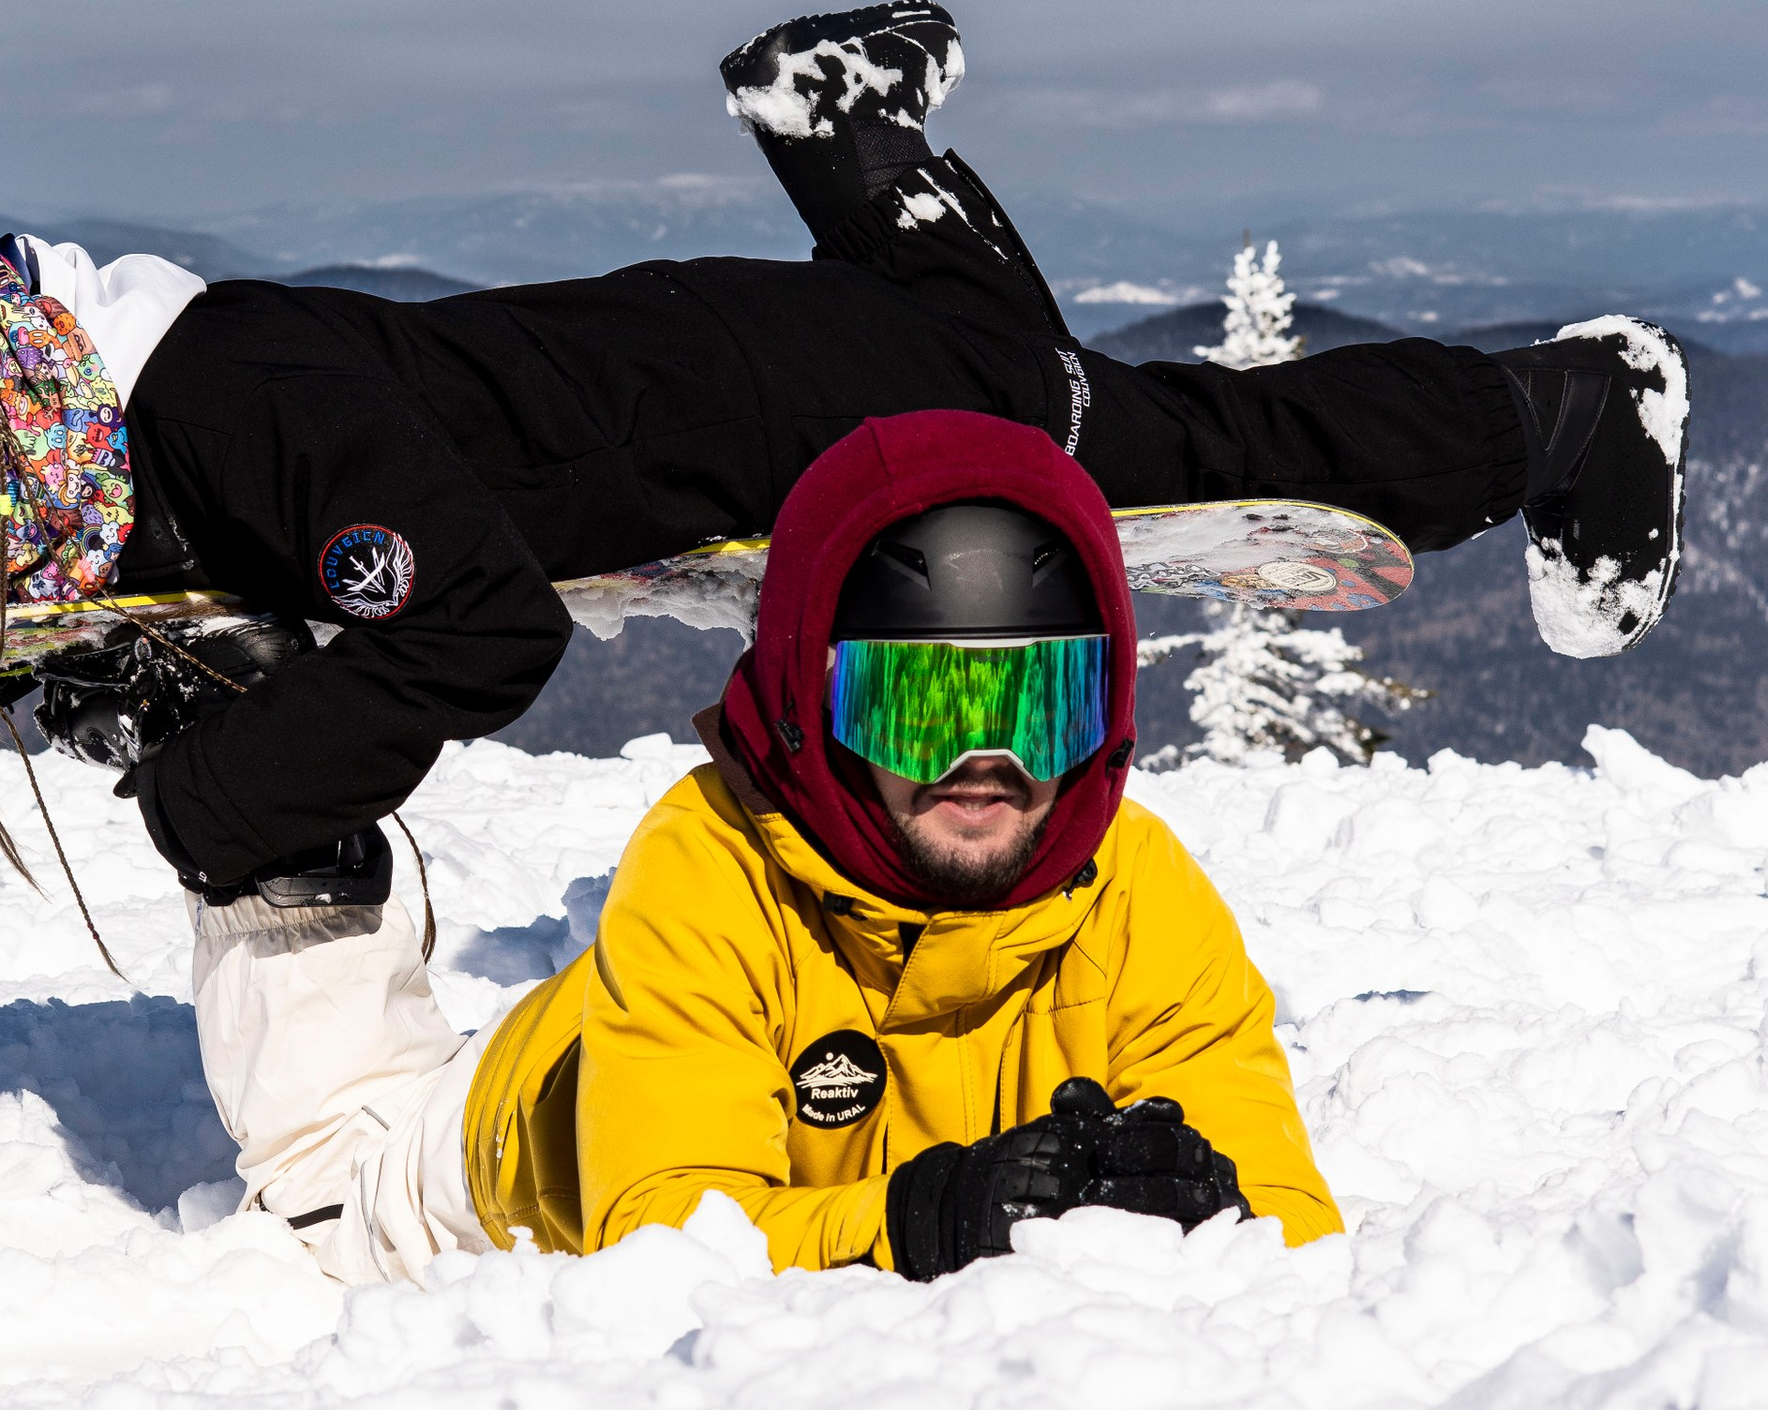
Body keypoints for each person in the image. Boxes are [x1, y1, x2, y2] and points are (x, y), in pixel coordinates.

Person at [0, 0, 1692, 914]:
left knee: (1106, 431)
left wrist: (219, 796)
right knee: (989, 340)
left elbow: (465, 635)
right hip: (682, 378)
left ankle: (1562, 403)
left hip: (772, 402)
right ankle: (843, 135)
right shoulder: (41, 473)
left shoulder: (230, 390)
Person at [191, 409, 1341, 1284]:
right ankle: (256, 795)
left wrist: (1209, 1206)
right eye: (922, 705)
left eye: (1042, 702)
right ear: (810, 700)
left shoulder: (1136, 893)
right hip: (486, 1158)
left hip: (676, 1064)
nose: (986, 761)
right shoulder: (708, 867)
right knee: (321, 1188)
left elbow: (1289, 1228)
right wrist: (926, 1219)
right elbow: (670, 1246)